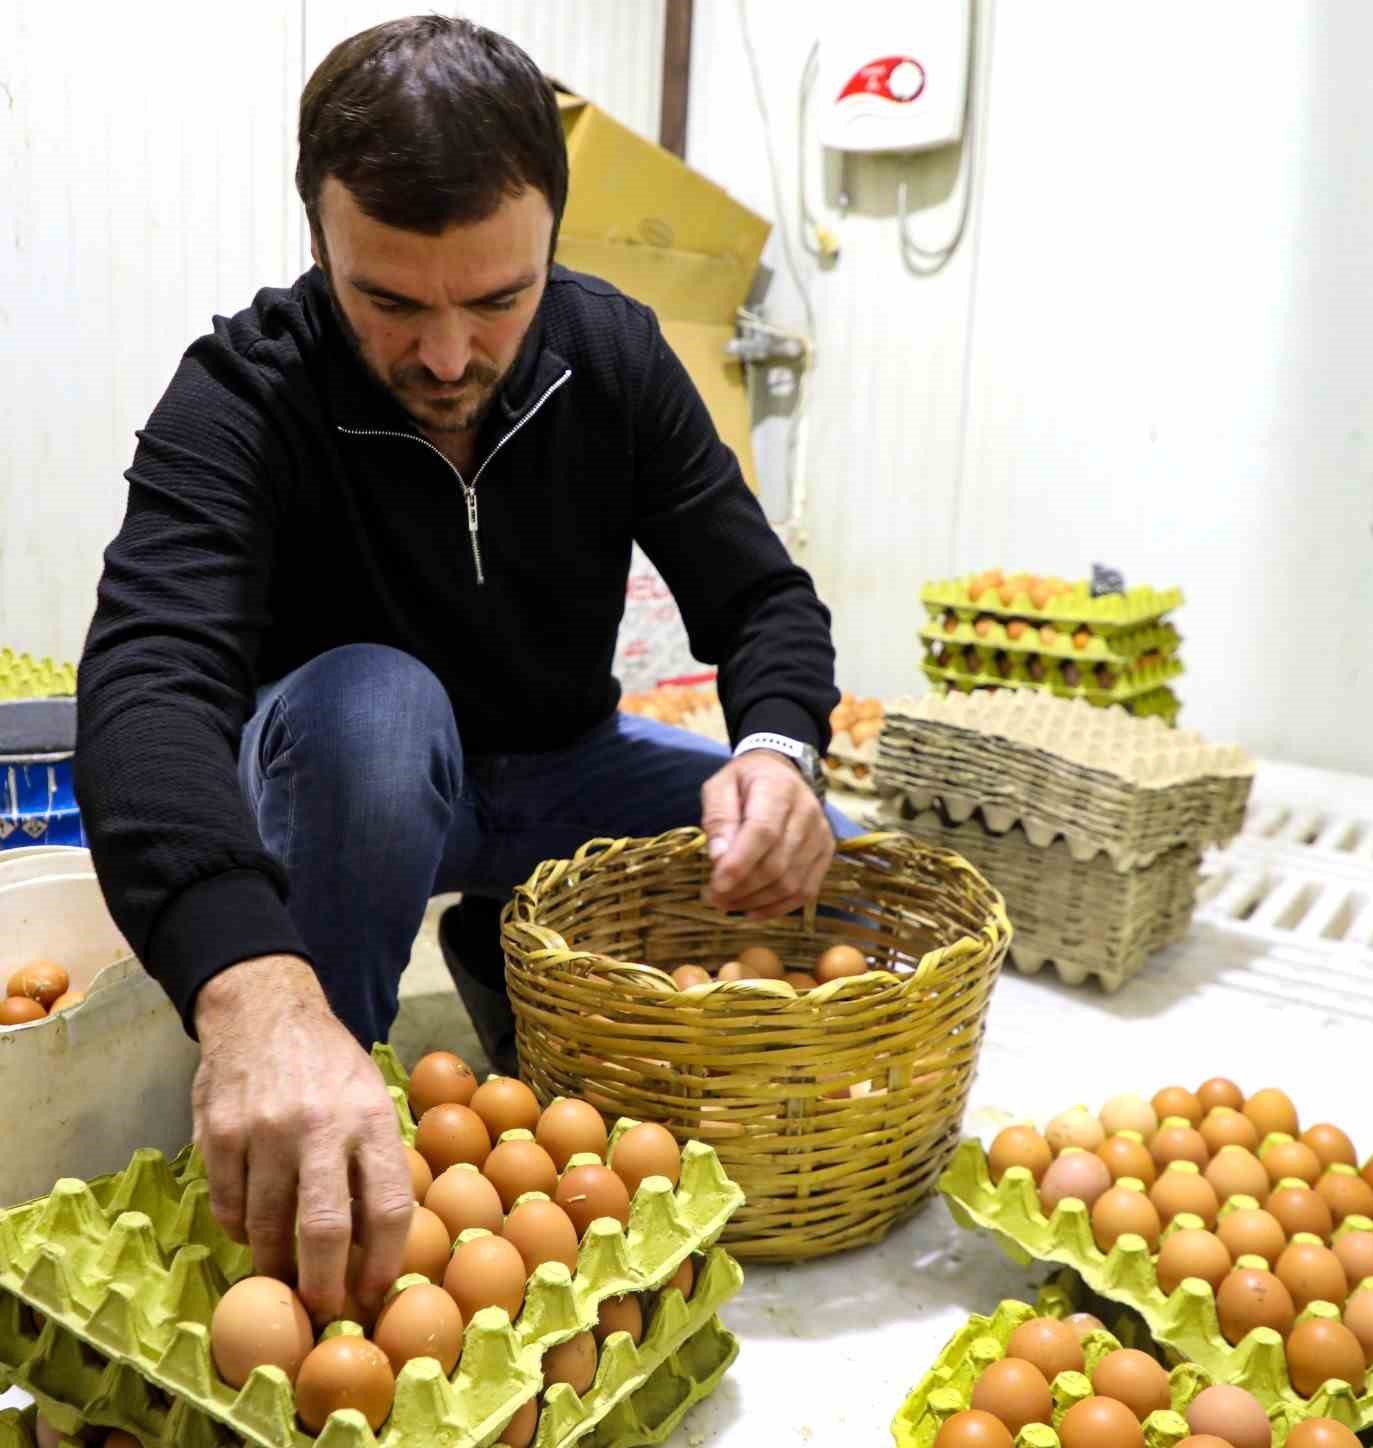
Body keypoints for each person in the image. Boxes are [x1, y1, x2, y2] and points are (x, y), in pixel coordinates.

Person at [75, 16, 852, 1326]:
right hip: (348, 779)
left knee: (802, 840)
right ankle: (331, 1076)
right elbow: (147, 689)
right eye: (390, 301)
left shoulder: (610, 357)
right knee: (377, 709)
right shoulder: (243, 393)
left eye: (499, 299)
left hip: (555, 773)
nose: (448, 357)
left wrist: (778, 751)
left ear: (552, 237)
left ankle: (504, 952)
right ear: (322, 244)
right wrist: (251, 992)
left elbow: (761, 596)